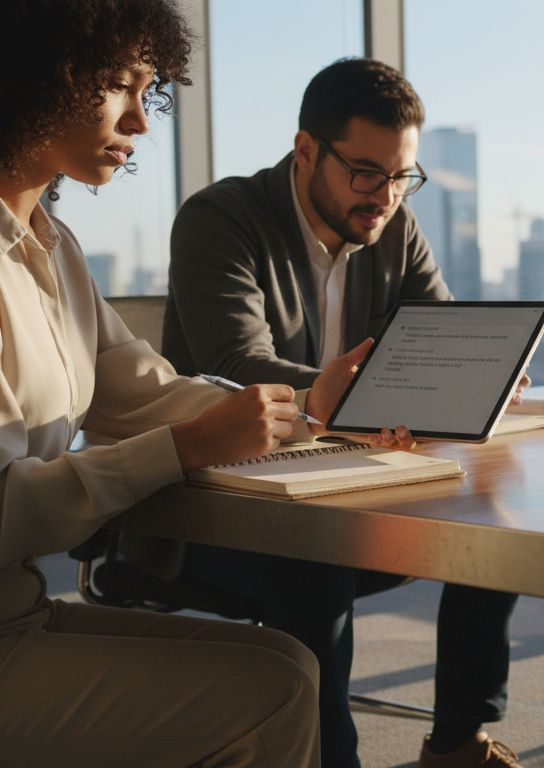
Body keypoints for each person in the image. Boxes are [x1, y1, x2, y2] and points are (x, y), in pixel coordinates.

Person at [0, 1, 400, 764]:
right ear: (32, 74)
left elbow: (145, 389)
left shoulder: (52, 248)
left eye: (147, 92)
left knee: (291, 664)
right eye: (118, 85)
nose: (141, 122)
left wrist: (310, 411)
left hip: (19, 610)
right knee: (273, 694)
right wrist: (180, 449)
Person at [158, 57, 523, 768]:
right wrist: (350, 399)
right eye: (366, 173)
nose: (385, 197)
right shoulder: (221, 218)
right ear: (305, 151)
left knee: (496, 523)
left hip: (349, 489)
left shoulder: (393, 226)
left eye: (401, 176)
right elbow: (235, 366)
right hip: (215, 500)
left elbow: (440, 336)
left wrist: (483, 375)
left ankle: (457, 746)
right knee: (315, 563)